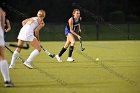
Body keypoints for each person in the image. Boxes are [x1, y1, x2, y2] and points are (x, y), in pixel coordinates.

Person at [0, 7, 14, 87]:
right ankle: (7, 81)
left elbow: (7, 27)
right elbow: (1, 25)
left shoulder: (7, 20)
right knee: (1, 56)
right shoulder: (1, 11)